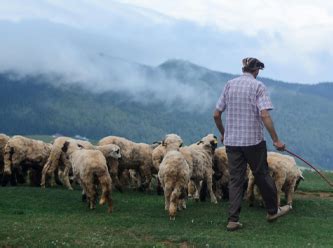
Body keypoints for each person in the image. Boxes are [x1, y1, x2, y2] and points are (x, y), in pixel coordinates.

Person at [213, 57, 290, 231]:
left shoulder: (229, 84)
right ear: (256, 71)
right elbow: (264, 115)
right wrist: (276, 140)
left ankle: (233, 220)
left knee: (235, 179)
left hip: (232, 143)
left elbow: (216, 114)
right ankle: (272, 211)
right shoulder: (258, 87)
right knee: (262, 174)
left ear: (243, 69)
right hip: (253, 142)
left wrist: (224, 133)